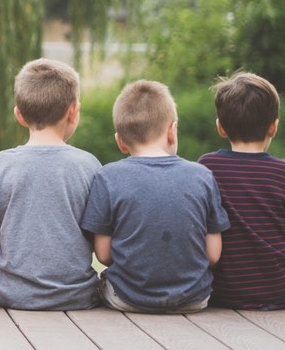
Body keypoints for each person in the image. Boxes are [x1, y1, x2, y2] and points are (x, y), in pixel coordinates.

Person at [80, 79, 228, 313]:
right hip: (193, 300)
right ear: (172, 131)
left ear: (120, 141)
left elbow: (104, 255)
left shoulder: (107, 177)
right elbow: (213, 255)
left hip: (127, 299)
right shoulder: (202, 176)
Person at [0, 59, 103, 310]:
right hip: (76, 296)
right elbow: (95, 236)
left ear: (19, 115)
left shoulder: (0, 164)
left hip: (10, 294)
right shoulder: (89, 165)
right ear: (73, 111)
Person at [199, 72, 285, 310]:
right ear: (273, 127)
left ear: (220, 127)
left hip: (222, 293)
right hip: (284, 292)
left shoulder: (206, 168)